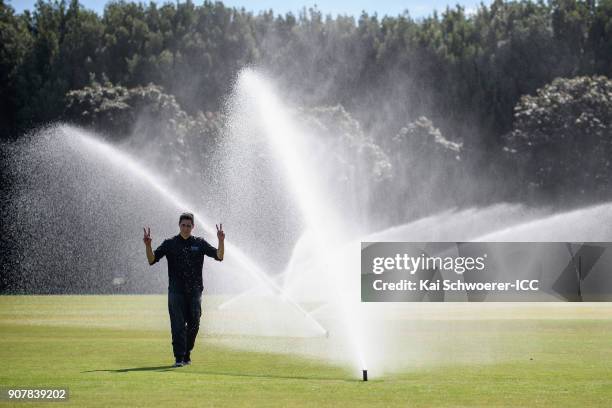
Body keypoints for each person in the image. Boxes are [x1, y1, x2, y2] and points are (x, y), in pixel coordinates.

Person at [142, 212, 225, 367]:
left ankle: (187, 352)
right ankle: (179, 357)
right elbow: (152, 259)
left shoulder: (199, 243)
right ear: (179, 226)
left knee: (195, 323)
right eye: (183, 225)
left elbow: (219, 256)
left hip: (195, 291)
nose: (186, 228)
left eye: (188, 225)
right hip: (176, 292)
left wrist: (221, 241)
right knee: (178, 325)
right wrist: (148, 245)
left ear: (193, 227)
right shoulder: (170, 243)